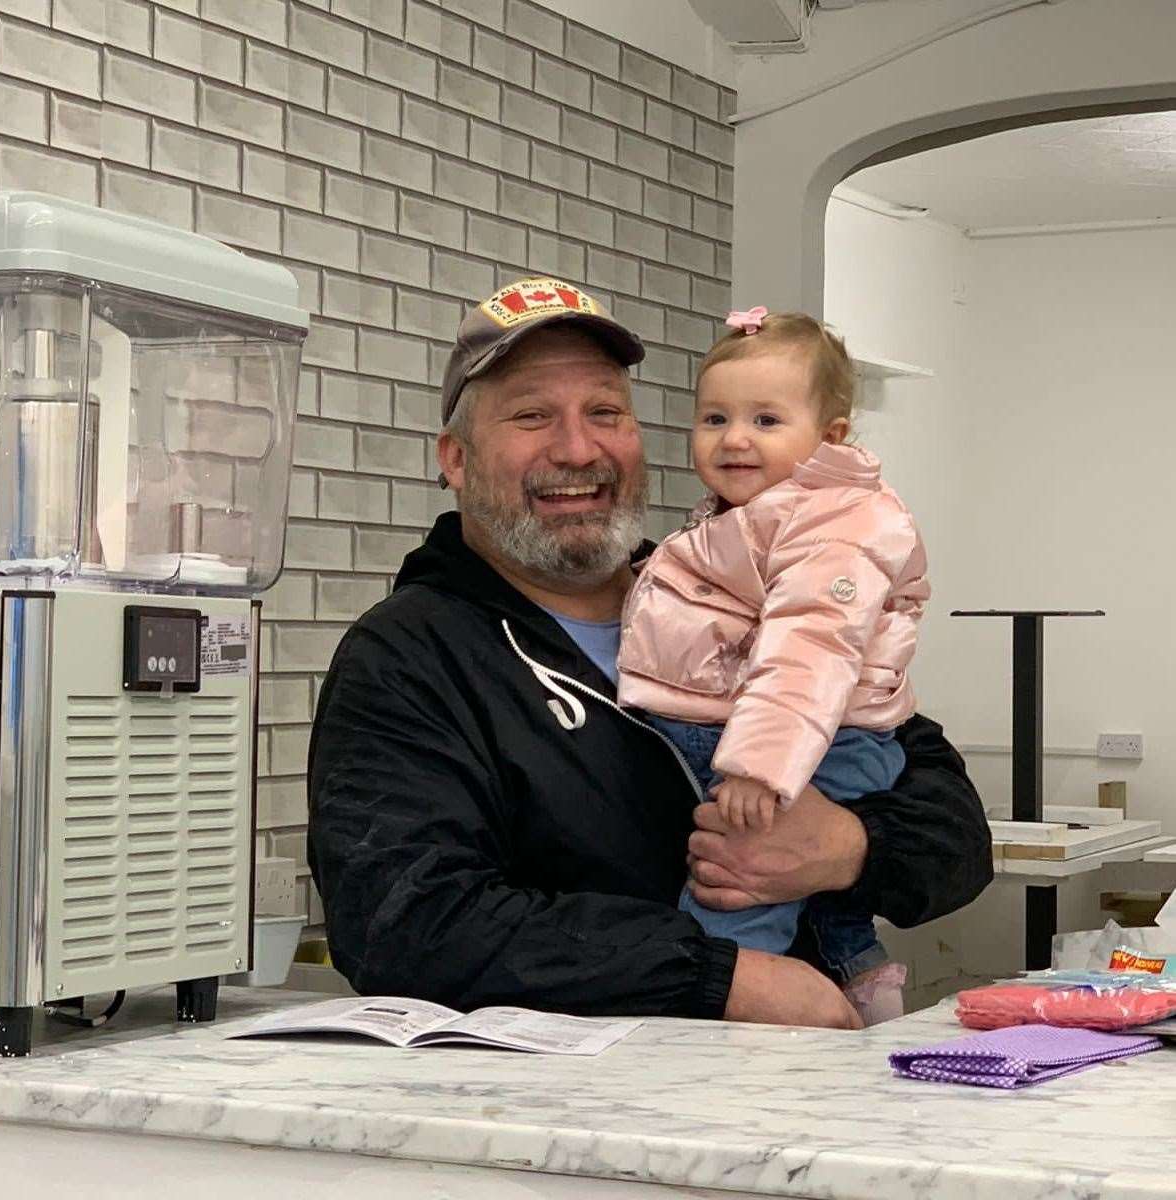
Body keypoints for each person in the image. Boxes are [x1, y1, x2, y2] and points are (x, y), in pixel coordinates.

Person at [306, 277, 991, 1029]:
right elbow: (407, 925)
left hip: (796, 1083)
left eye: (605, 412)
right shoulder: (408, 656)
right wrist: (720, 978)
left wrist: (852, 848)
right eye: (532, 416)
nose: (577, 449)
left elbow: (956, 832)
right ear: (457, 460)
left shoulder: (731, 587)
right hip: (573, 1114)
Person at [617, 307, 926, 1025]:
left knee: (735, 886)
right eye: (714, 417)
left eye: (764, 420)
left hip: (807, 744)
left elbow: (809, 645)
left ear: (831, 437)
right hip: (800, 736)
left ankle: (726, 1032)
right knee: (793, 884)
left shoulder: (832, 521)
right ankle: (860, 973)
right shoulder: (755, 513)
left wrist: (762, 763)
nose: (732, 439)